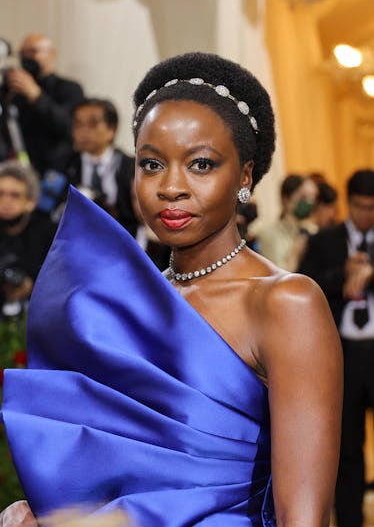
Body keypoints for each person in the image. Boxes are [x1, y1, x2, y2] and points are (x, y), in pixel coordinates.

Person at [1, 52, 342, 527]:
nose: (171, 187)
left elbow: (306, 517)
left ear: (245, 177)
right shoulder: (126, 308)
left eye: (201, 164)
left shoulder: (285, 303)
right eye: (152, 164)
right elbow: (115, 486)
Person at [298, 169, 374, 527]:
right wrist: (341, 275)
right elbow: (305, 293)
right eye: (360, 207)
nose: (367, 215)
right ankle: (351, 521)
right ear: (348, 203)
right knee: (347, 449)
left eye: (373, 208)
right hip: (342, 356)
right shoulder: (325, 241)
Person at [0, 33, 84, 174]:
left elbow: (68, 127)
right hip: (18, 170)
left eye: (33, 51)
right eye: (23, 53)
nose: (27, 57)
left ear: (52, 54)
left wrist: (36, 96)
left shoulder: (69, 88)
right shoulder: (12, 93)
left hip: (57, 171)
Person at [52, 97, 138, 234]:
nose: (83, 131)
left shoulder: (131, 167)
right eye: (78, 124)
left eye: (92, 124)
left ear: (112, 129)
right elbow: (49, 209)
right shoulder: (62, 163)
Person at [0, 160, 57, 318]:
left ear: (31, 201)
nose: (6, 201)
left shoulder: (49, 233)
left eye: (15, 195)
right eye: (1, 194)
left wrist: (31, 287)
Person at [256, 173, 318, 271]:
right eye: (303, 197)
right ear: (285, 198)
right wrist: (295, 254)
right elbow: (278, 276)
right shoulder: (268, 234)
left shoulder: (313, 230)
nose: (308, 203)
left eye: (312, 198)